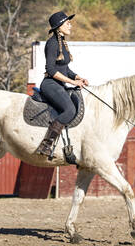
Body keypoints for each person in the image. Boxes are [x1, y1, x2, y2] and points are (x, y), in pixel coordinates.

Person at [36, 11, 89, 158]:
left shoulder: (63, 44)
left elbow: (65, 69)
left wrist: (79, 77)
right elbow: (51, 70)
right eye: (67, 23)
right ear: (59, 27)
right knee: (70, 110)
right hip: (50, 84)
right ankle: (46, 144)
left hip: (59, 84)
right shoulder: (52, 44)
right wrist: (73, 82)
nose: (70, 25)